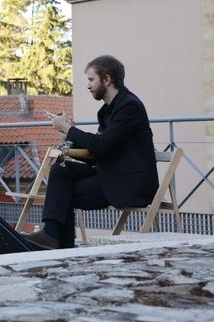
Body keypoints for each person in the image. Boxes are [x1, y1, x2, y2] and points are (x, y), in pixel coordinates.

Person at [26, 55, 159, 250]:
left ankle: (58, 244)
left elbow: (101, 146)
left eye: (91, 80)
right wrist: (68, 134)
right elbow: (96, 150)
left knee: (64, 192)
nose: (88, 86)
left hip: (130, 182)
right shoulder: (107, 111)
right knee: (61, 169)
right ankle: (51, 237)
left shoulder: (130, 107)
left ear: (107, 79)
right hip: (111, 171)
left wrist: (68, 130)